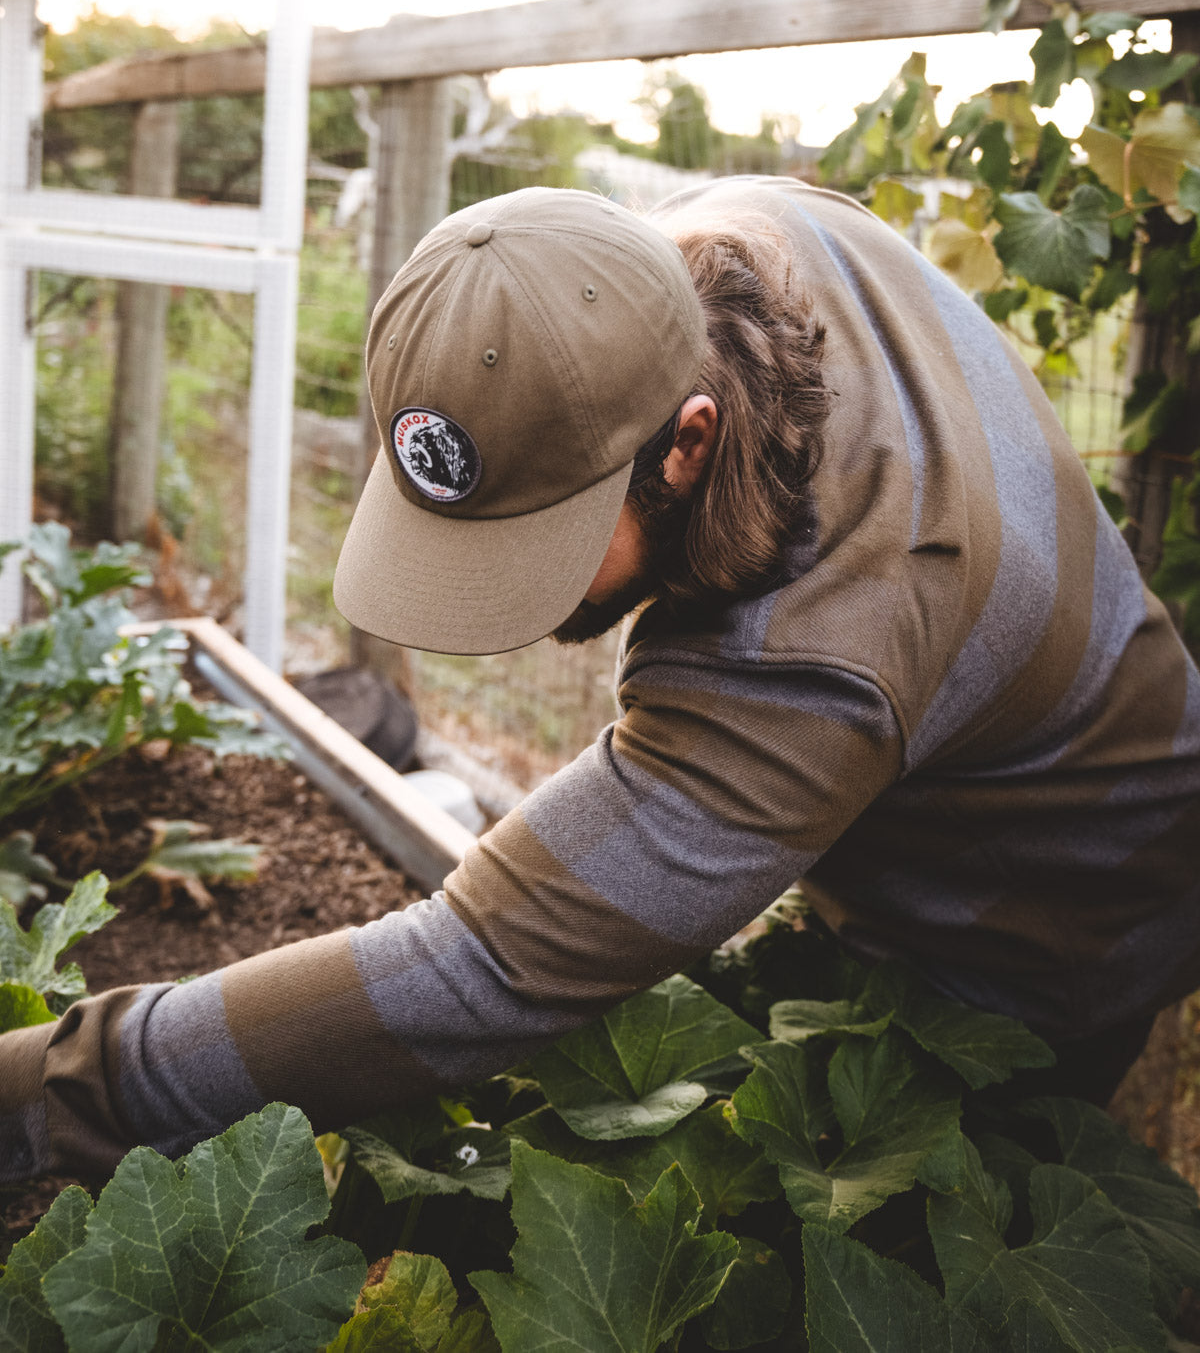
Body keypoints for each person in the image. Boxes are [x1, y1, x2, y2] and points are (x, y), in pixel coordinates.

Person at [2, 177, 1199, 1183]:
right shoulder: (702, 253)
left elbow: (476, 968)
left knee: (928, 1238)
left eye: (549, 540)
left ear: (687, 442)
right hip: (946, 759)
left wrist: (41, 1094)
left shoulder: (819, 652)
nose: (516, 612)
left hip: (1051, 920)